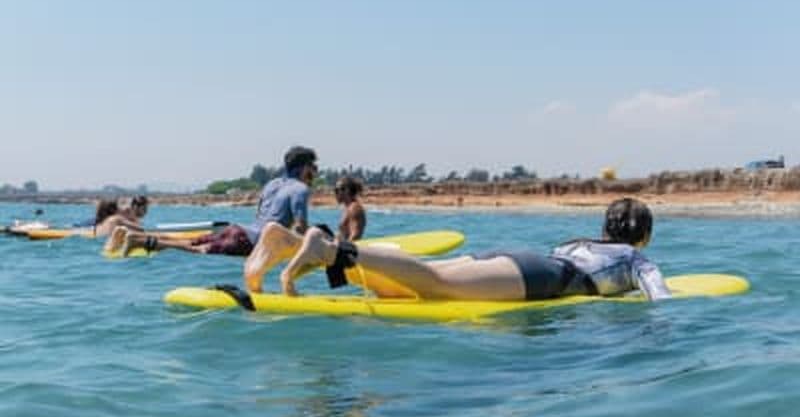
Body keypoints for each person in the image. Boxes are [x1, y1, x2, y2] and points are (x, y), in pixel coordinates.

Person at [243, 197, 672, 302]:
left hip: (525, 261)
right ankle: (331, 250)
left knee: (408, 286)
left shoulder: (578, 243)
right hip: (542, 278)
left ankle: (290, 242)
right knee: (436, 283)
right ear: (644, 236)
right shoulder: (636, 258)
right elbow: (662, 300)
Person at [106, 146, 318, 256]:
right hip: (249, 242)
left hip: (238, 230)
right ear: (303, 167)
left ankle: (137, 237)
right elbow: (299, 228)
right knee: (196, 250)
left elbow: (260, 216)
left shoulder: (272, 184)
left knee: (189, 243)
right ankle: (139, 240)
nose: (314, 172)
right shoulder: (300, 189)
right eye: (312, 167)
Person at [334, 175, 366, 241]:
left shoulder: (354, 208)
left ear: (346, 190)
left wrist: (345, 250)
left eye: (336, 190)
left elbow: (355, 236)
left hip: (348, 249)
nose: (335, 194)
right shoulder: (348, 208)